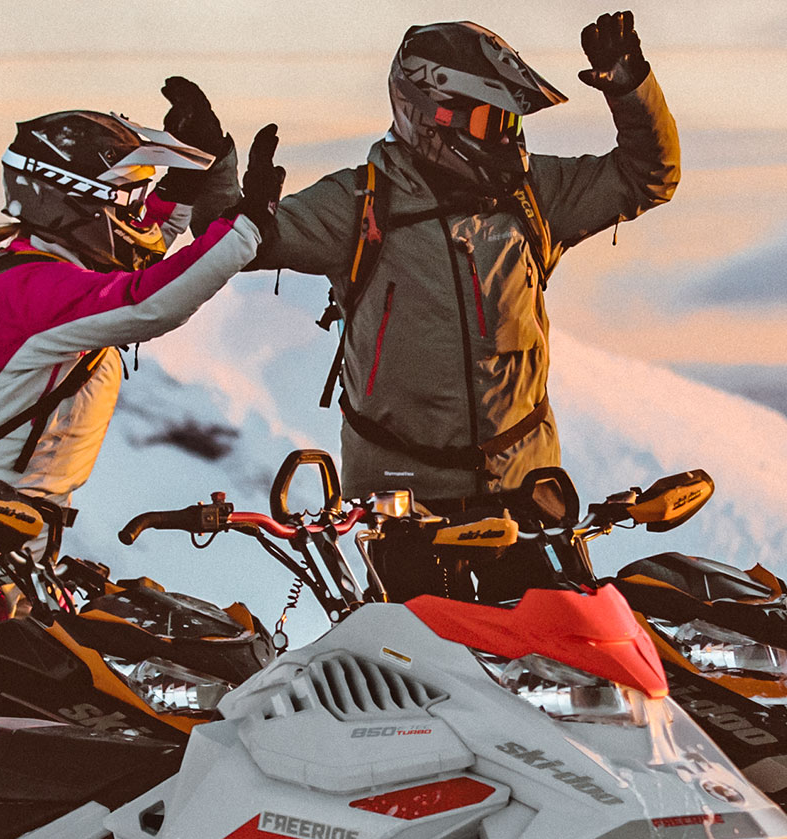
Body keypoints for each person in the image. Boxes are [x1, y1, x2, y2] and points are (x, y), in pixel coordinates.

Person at [0, 80, 288, 777]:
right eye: (123, 198)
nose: (138, 214)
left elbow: (156, 242)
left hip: (6, 536)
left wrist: (203, 165)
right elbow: (153, 300)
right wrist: (244, 229)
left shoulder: (54, 270)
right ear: (72, 200)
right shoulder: (33, 291)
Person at [258, 13, 677, 518]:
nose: (506, 139)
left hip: (526, 493)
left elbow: (649, 175)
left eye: (511, 121)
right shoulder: (359, 203)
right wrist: (219, 189)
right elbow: (245, 242)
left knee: (568, 603)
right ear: (430, 115)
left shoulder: (533, 192)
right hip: (401, 507)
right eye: (489, 120)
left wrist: (629, 84)